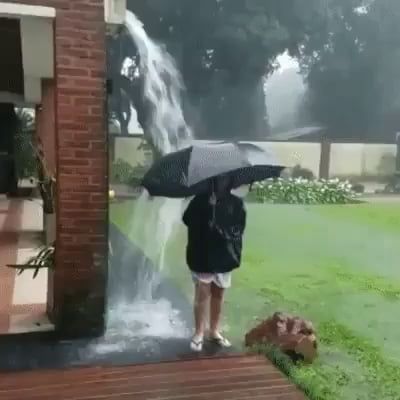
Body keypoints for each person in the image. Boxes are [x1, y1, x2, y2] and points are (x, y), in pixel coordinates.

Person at [182, 176, 247, 352]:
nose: (223, 182)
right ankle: (199, 333)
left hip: (224, 255)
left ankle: (214, 331)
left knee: (218, 293)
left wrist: (220, 228)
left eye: (226, 179)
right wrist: (206, 212)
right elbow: (187, 219)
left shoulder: (236, 203)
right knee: (203, 292)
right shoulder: (200, 200)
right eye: (219, 179)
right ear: (212, 181)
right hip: (203, 255)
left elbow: (238, 228)